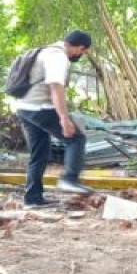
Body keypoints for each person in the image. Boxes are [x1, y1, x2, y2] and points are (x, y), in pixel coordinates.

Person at [15, 30, 97, 207]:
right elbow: (56, 87)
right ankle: (69, 179)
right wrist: (64, 119)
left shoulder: (45, 51)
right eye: (83, 52)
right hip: (40, 107)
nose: (81, 55)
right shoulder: (58, 56)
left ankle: (33, 199)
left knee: (39, 154)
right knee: (76, 138)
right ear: (80, 47)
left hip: (24, 108)